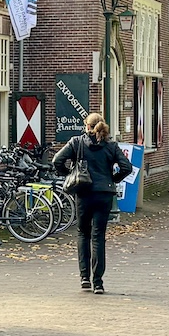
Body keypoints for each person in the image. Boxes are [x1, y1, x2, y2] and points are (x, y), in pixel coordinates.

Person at [53, 111, 133, 293]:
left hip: (83, 192)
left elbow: (57, 160)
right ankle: (98, 282)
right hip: (104, 194)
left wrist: (69, 175)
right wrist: (113, 178)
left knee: (83, 234)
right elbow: (127, 167)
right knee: (98, 237)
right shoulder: (111, 145)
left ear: (87, 126)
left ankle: (84, 279)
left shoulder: (77, 142)